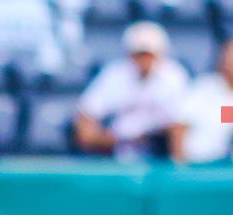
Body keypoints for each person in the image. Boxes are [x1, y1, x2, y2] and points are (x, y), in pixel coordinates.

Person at [75, 20, 190, 160]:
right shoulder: (115, 73)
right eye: (139, 54)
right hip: (117, 152)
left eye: (149, 54)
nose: (144, 60)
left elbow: (179, 126)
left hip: (158, 153)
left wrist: (177, 164)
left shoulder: (174, 76)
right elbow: (87, 114)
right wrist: (102, 140)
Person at [170, 39, 233, 165]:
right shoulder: (204, 86)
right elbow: (179, 124)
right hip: (200, 162)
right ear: (220, 63)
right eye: (229, 60)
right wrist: (180, 164)